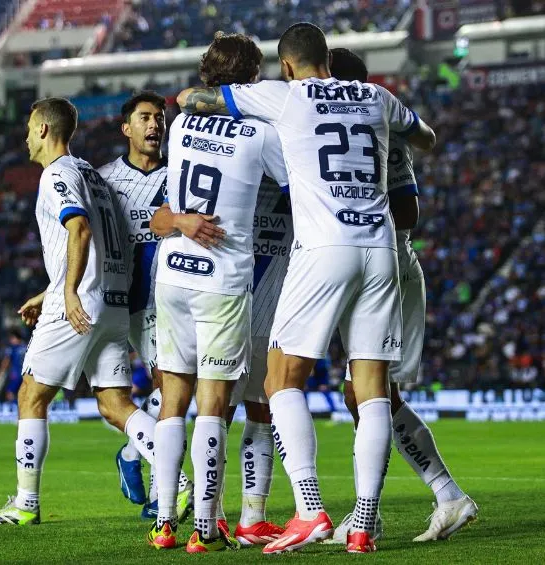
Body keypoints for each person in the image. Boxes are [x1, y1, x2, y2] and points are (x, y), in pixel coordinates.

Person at [176, 22, 436, 554]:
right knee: (372, 387)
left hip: (323, 248)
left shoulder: (286, 96)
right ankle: (363, 522)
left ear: (289, 64)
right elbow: (425, 137)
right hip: (382, 248)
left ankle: (311, 509)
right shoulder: (376, 96)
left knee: (280, 379)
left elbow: (194, 98)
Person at [0, 98, 161, 526]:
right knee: (115, 404)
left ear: (42, 129)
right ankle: (177, 482)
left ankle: (25, 503)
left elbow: (76, 227)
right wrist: (52, 289)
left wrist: (69, 291)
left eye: (27, 127)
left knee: (31, 394)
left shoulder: (56, 174)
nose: (24, 137)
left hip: (79, 303)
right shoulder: (92, 175)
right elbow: (99, 242)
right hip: (113, 302)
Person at [327, 47, 478, 544]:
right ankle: (394, 504)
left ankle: (441, 494)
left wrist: (356, 227)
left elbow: (409, 215)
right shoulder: (377, 128)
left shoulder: (383, 134)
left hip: (386, 268)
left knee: (370, 394)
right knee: (365, 395)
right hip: (372, 270)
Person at [147, 32, 289, 553]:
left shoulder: (182, 125)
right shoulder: (259, 135)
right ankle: (206, 527)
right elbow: (298, 185)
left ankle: (164, 522)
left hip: (173, 274)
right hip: (223, 281)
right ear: (253, 78)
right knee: (213, 404)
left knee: (172, 402)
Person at [98, 92, 191, 519]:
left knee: (174, 391)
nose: (155, 125)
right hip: (129, 300)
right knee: (171, 391)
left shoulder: (181, 175)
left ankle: (135, 457)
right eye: (145, 118)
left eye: (160, 118)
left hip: (177, 294)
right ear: (126, 128)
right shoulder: (103, 181)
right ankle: (163, 491)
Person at [0, 329, 27, 406]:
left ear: (16, 338)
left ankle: (14, 408)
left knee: (10, 392)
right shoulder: (26, 347)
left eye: (12, 338)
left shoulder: (12, 348)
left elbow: (6, 361)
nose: (10, 340)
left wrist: (0, 372)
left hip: (15, 373)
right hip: (26, 374)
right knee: (22, 392)